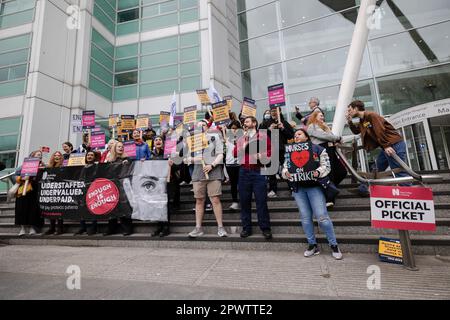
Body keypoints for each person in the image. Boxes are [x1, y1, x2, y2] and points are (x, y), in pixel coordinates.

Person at [282, 128, 343, 260]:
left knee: (322, 217)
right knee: (305, 217)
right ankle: (312, 244)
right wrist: (285, 173)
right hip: (299, 189)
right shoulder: (290, 151)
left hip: (315, 187)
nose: (296, 136)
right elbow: (285, 167)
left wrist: (318, 173)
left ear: (306, 136)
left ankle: (334, 245)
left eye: (299, 134)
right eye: (294, 135)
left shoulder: (318, 149)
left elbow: (326, 165)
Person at [346, 100, 410, 194]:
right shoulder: (363, 120)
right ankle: (363, 189)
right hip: (386, 146)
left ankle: (409, 193)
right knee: (377, 168)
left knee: (399, 171)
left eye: (350, 110)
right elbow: (357, 131)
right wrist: (349, 121)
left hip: (393, 144)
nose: (348, 112)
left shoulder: (371, 115)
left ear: (356, 109)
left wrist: (386, 145)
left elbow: (380, 130)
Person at [186, 120, 228, 238]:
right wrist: (195, 159)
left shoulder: (215, 137)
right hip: (198, 173)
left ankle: (220, 227)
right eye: (198, 126)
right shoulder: (193, 141)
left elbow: (220, 154)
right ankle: (198, 228)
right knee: (199, 200)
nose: (200, 127)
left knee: (215, 199)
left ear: (207, 126)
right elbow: (187, 159)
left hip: (213, 172)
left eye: (203, 124)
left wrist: (212, 165)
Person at [234, 116, 272, 240]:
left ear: (254, 123)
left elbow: (270, 151)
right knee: (244, 202)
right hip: (244, 172)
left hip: (258, 171)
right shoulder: (241, 138)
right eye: (244, 122)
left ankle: (265, 228)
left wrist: (262, 155)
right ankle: (246, 228)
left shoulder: (262, 136)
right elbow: (235, 153)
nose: (245, 123)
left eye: (247, 121)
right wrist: (242, 146)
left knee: (261, 201)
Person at [307, 110, 346, 207]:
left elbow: (331, 137)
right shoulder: (312, 126)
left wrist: (334, 138)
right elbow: (325, 136)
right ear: (315, 116)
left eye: (323, 116)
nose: (322, 117)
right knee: (329, 173)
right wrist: (337, 138)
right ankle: (329, 199)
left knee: (342, 172)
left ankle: (330, 189)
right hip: (321, 150)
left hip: (330, 149)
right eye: (320, 115)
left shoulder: (324, 126)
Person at [259, 108, 294, 198]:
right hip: (270, 150)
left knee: (287, 169)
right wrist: (268, 129)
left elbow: (291, 136)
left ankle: (292, 188)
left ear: (280, 112)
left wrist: (283, 128)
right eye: (272, 111)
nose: (273, 112)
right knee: (271, 172)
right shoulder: (265, 123)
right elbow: (260, 136)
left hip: (283, 149)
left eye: (275, 110)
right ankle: (272, 190)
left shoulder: (284, 122)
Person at [150, 136, 180, 237]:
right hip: (156, 183)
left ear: (163, 143)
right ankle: (159, 227)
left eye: (160, 140)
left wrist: (173, 163)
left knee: (165, 205)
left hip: (168, 182)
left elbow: (179, 166)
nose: (158, 141)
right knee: (157, 206)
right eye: (156, 140)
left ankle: (166, 227)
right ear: (153, 143)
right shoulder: (151, 155)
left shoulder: (169, 153)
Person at [103, 141, 133, 236]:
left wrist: (127, 163)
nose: (121, 148)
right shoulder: (109, 160)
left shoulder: (127, 159)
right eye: (118, 146)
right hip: (112, 186)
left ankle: (127, 229)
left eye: (122, 146)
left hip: (123, 186)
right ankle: (111, 228)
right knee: (112, 207)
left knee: (124, 207)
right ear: (114, 148)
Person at [14, 151, 44, 236]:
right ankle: (22, 229)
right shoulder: (24, 165)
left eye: (41, 155)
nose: (40, 156)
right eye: (38, 155)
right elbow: (15, 176)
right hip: (24, 189)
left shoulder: (42, 165)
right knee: (21, 209)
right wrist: (21, 178)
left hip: (35, 190)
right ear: (32, 156)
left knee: (33, 209)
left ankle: (32, 228)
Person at [74, 151, 100, 236]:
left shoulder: (97, 166)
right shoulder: (82, 167)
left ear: (94, 157)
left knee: (93, 208)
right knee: (82, 208)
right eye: (88, 155)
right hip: (83, 190)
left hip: (93, 190)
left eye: (91, 155)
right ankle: (82, 227)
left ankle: (93, 227)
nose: (89, 156)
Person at [44, 151, 65, 235]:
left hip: (60, 190)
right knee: (51, 209)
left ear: (61, 157)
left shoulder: (63, 166)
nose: (57, 157)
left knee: (59, 209)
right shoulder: (49, 167)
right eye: (55, 155)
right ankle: (51, 228)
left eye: (59, 155)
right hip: (50, 190)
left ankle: (60, 228)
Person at [225, 120, 241, 210]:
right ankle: (235, 201)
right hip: (230, 164)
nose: (234, 130)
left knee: (242, 183)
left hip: (240, 164)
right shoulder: (226, 137)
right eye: (232, 128)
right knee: (233, 184)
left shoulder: (243, 137)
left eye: (236, 128)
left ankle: (244, 200)